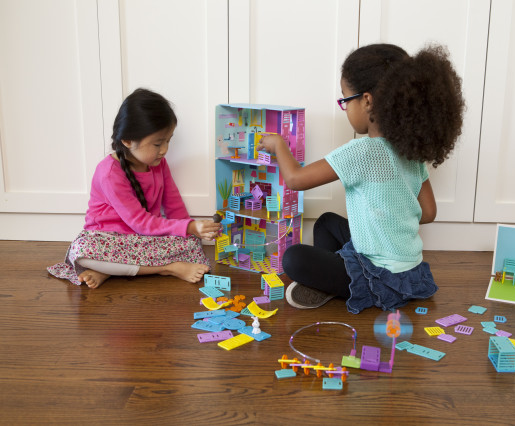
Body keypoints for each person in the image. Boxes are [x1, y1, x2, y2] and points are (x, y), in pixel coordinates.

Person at [257, 43, 465, 313]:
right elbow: (427, 213)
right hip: (410, 272)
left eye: (345, 100)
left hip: (381, 275)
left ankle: (348, 285)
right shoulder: (412, 152)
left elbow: (296, 179)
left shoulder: (362, 151)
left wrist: (278, 146)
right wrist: (390, 217)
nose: (344, 108)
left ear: (367, 100)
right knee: (326, 223)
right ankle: (337, 280)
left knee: (293, 259)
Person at [48, 88, 221, 289]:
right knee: (83, 252)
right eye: (157, 144)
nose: (164, 150)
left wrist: (194, 230)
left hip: (144, 239)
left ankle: (110, 271)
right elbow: (140, 222)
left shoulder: (160, 165)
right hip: (107, 239)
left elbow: (174, 207)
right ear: (128, 140)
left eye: (168, 140)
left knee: (191, 244)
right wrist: (190, 227)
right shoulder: (109, 173)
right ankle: (168, 268)